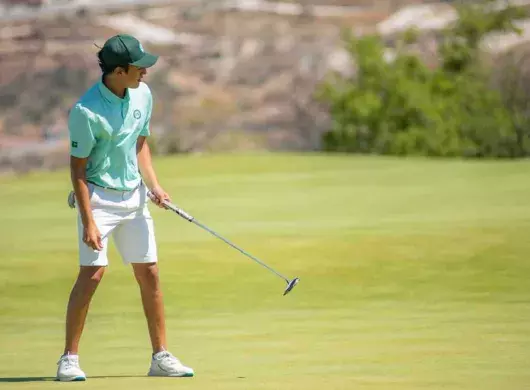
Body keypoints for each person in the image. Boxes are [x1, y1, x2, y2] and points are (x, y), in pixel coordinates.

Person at [56, 34, 194, 381]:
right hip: (98, 199)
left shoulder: (142, 95)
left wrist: (154, 184)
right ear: (119, 71)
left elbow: (139, 142)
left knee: (149, 273)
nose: (145, 73)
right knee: (93, 275)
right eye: (138, 68)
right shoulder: (86, 111)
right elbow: (78, 169)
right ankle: (68, 359)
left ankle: (160, 357)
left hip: (133, 198)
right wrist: (88, 221)